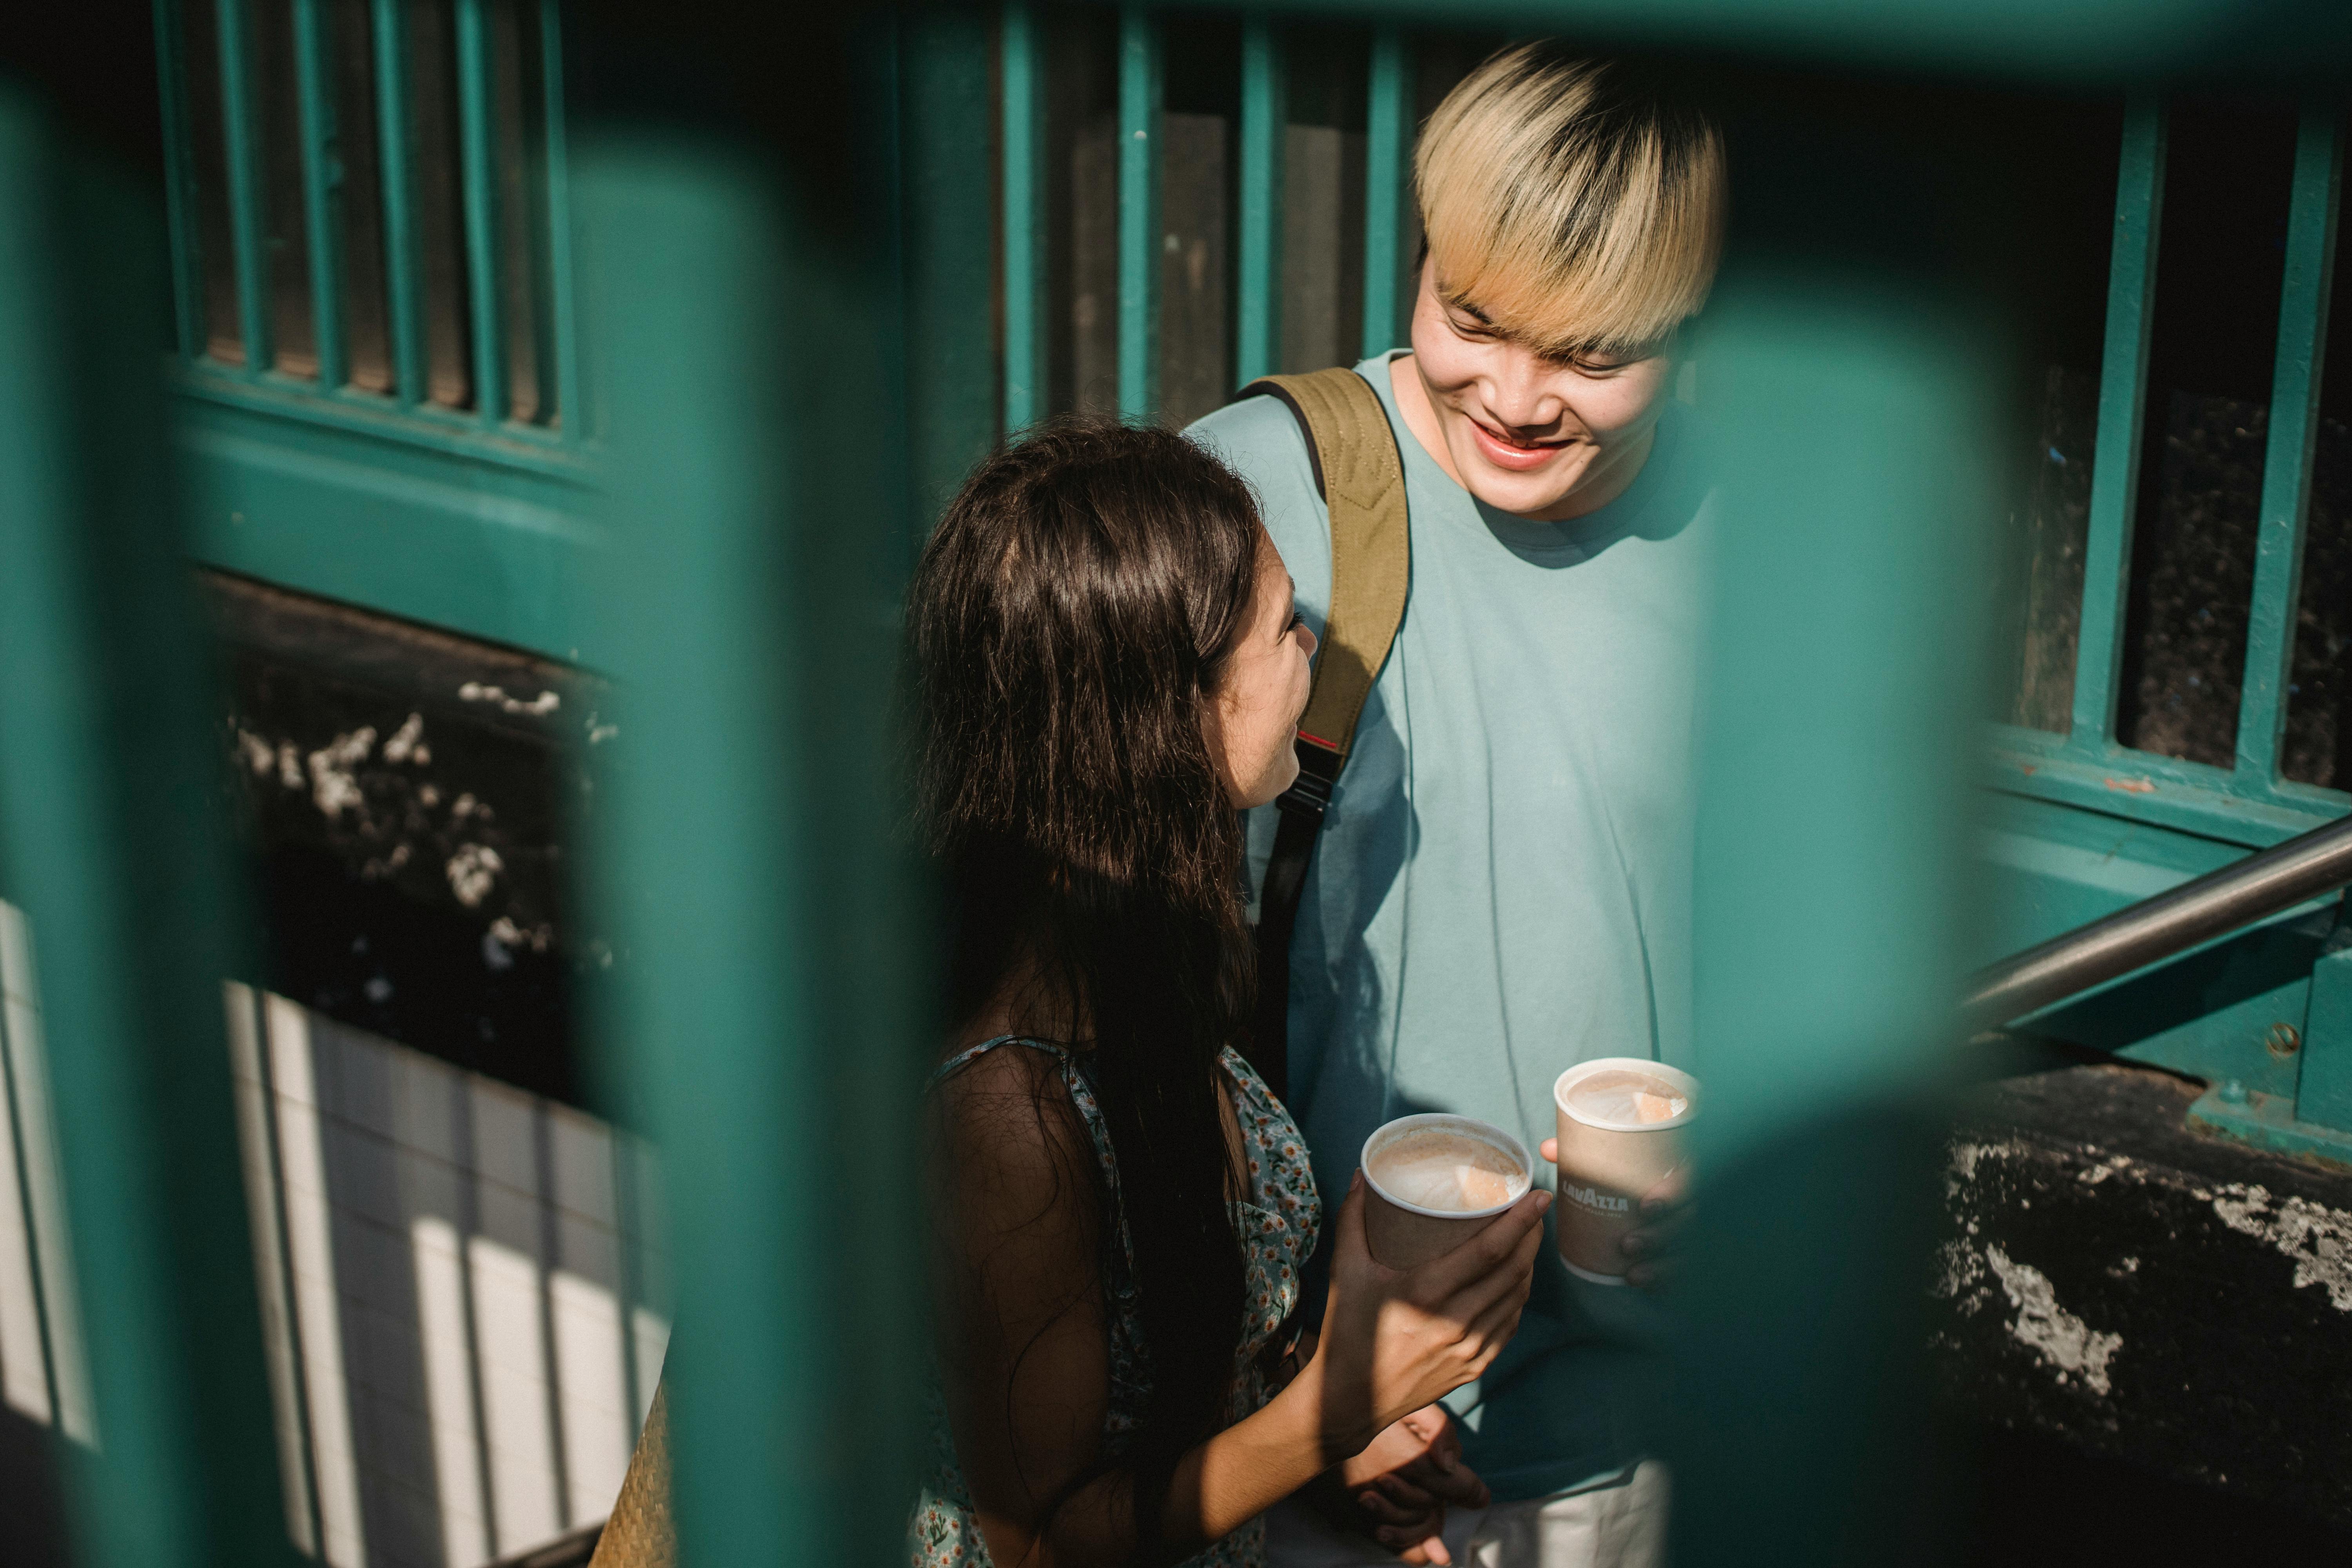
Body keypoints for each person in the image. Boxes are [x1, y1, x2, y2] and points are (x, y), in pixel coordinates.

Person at [1185, 44, 1726, 1568]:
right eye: (1470, 318)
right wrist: (1296, 1394)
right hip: (1300, 1426)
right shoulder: (1261, 497)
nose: (1513, 394)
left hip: (1633, 1434)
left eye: (1591, 354)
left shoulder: (1771, 519)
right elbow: (1075, 961)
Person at [904, 419, 1554, 1568]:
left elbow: (1161, 1369)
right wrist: (1333, 1410)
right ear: (1169, 714)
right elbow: (1039, 1545)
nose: (1312, 637)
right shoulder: (1007, 1112)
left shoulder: (1145, 944)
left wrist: (1321, 1411)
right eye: (1279, 626)